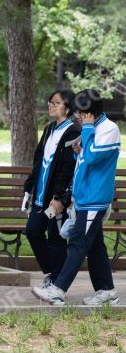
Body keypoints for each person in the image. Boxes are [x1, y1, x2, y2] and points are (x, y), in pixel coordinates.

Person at [33, 89, 121, 306]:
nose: (78, 117)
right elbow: (83, 158)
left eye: (81, 113)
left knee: (78, 244)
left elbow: (91, 157)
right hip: (84, 199)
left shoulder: (108, 129)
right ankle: (107, 291)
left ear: (91, 113)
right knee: (95, 247)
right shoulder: (93, 128)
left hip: (95, 199)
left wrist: (87, 132)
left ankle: (57, 289)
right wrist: (76, 149)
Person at [21, 90, 79, 288]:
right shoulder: (48, 130)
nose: (51, 105)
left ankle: (57, 283)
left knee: (55, 238)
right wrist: (29, 187)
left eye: (57, 103)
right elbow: (38, 161)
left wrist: (60, 198)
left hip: (56, 199)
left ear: (68, 106)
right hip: (40, 198)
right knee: (33, 231)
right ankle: (52, 273)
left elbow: (68, 168)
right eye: (50, 102)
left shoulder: (73, 132)